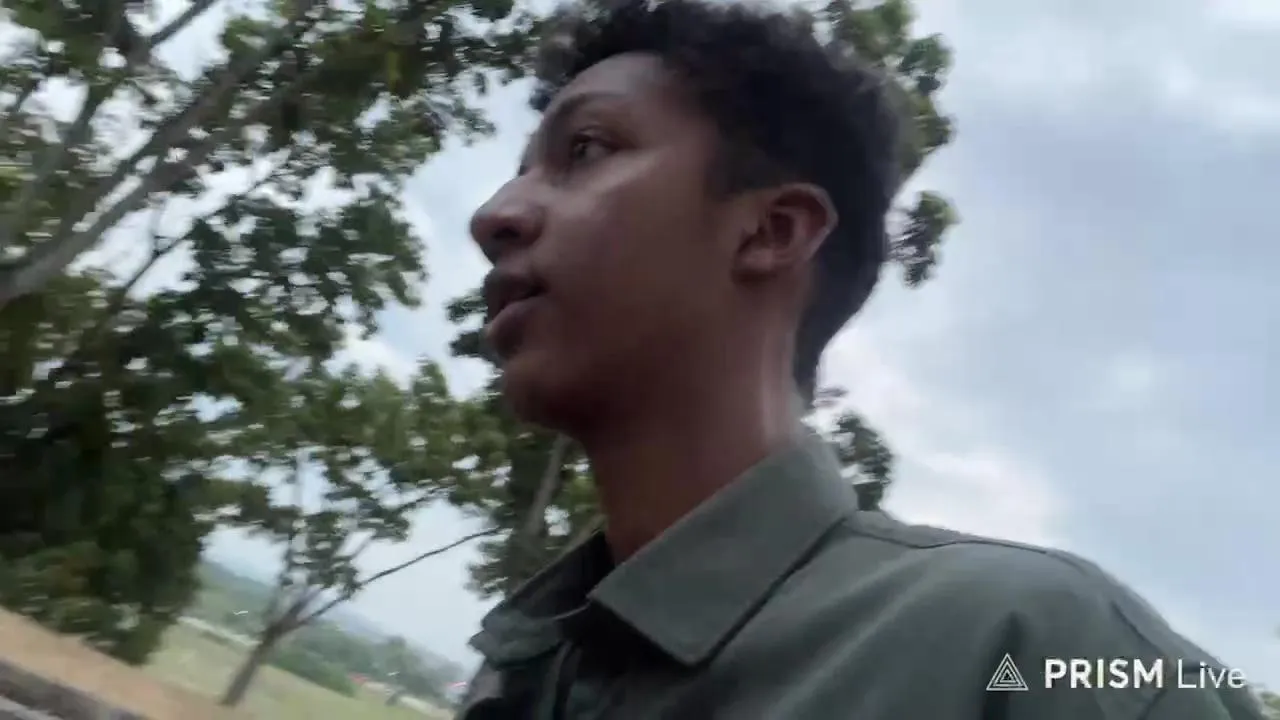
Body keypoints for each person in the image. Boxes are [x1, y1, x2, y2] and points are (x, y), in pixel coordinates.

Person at [456, 0, 1265, 718]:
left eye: (585, 150)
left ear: (772, 232)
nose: (495, 214)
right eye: (518, 172)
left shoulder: (1040, 655)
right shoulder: (528, 661)